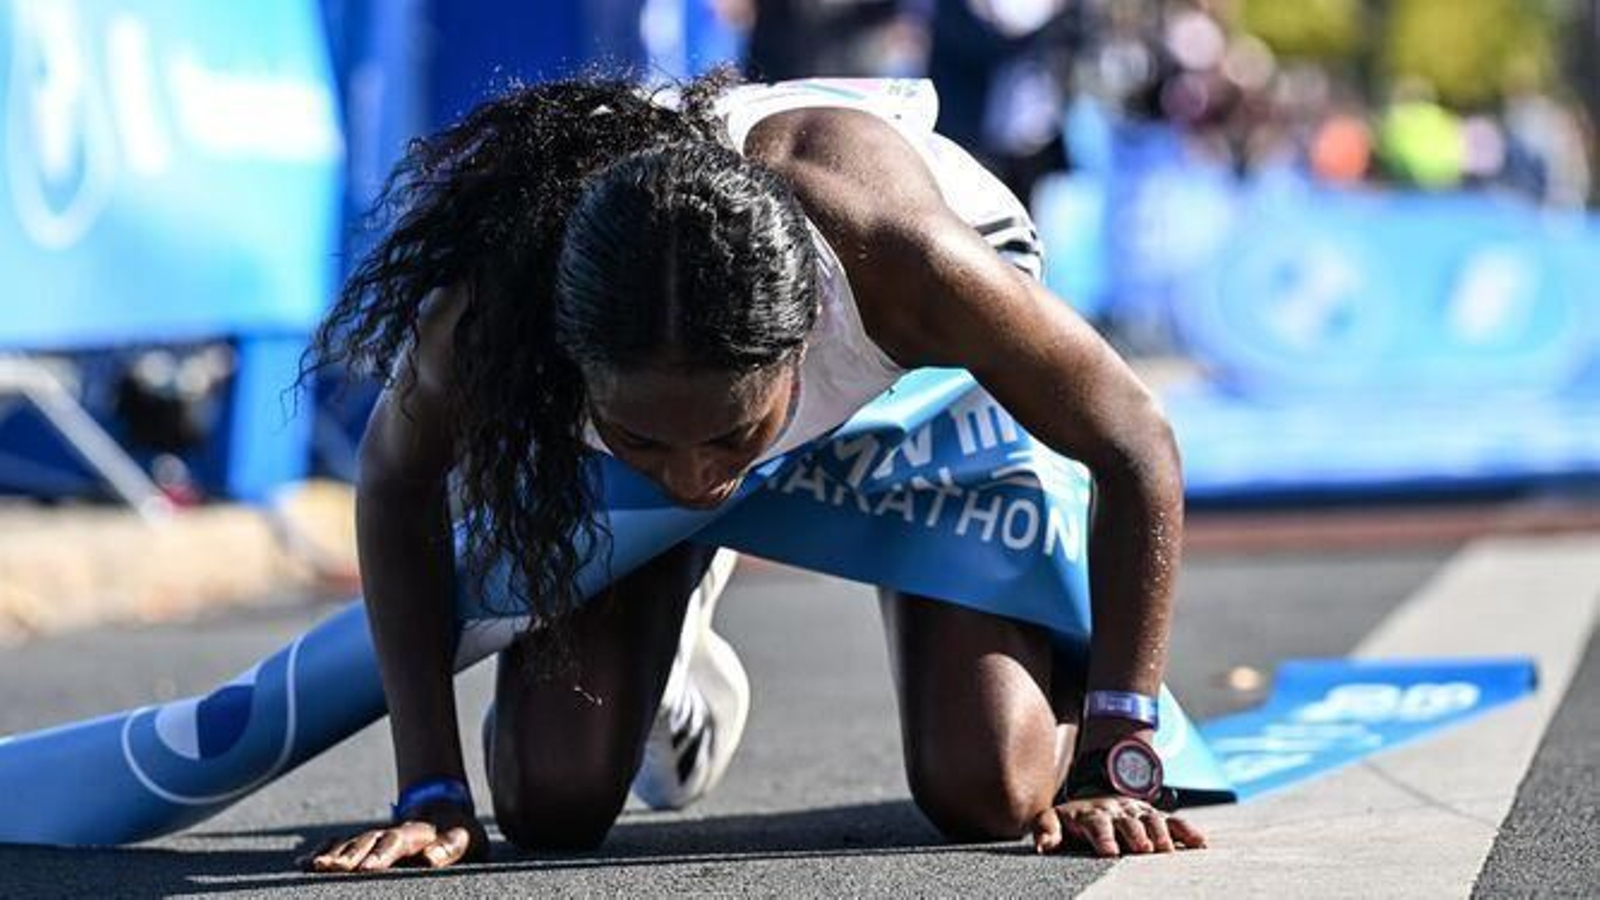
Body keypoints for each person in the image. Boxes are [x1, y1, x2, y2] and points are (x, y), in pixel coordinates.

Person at [301, 70, 1205, 872]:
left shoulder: (908, 264)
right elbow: (393, 484)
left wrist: (1114, 750)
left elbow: (1136, 444)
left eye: (730, 438)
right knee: (549, 799)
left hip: (920, 402)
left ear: (803, 340)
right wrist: (429, 789)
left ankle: (681, 491)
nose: (693, 479)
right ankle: (676, 636)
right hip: (695, 364)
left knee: (988, 789)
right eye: (645, 438)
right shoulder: (497, 317)